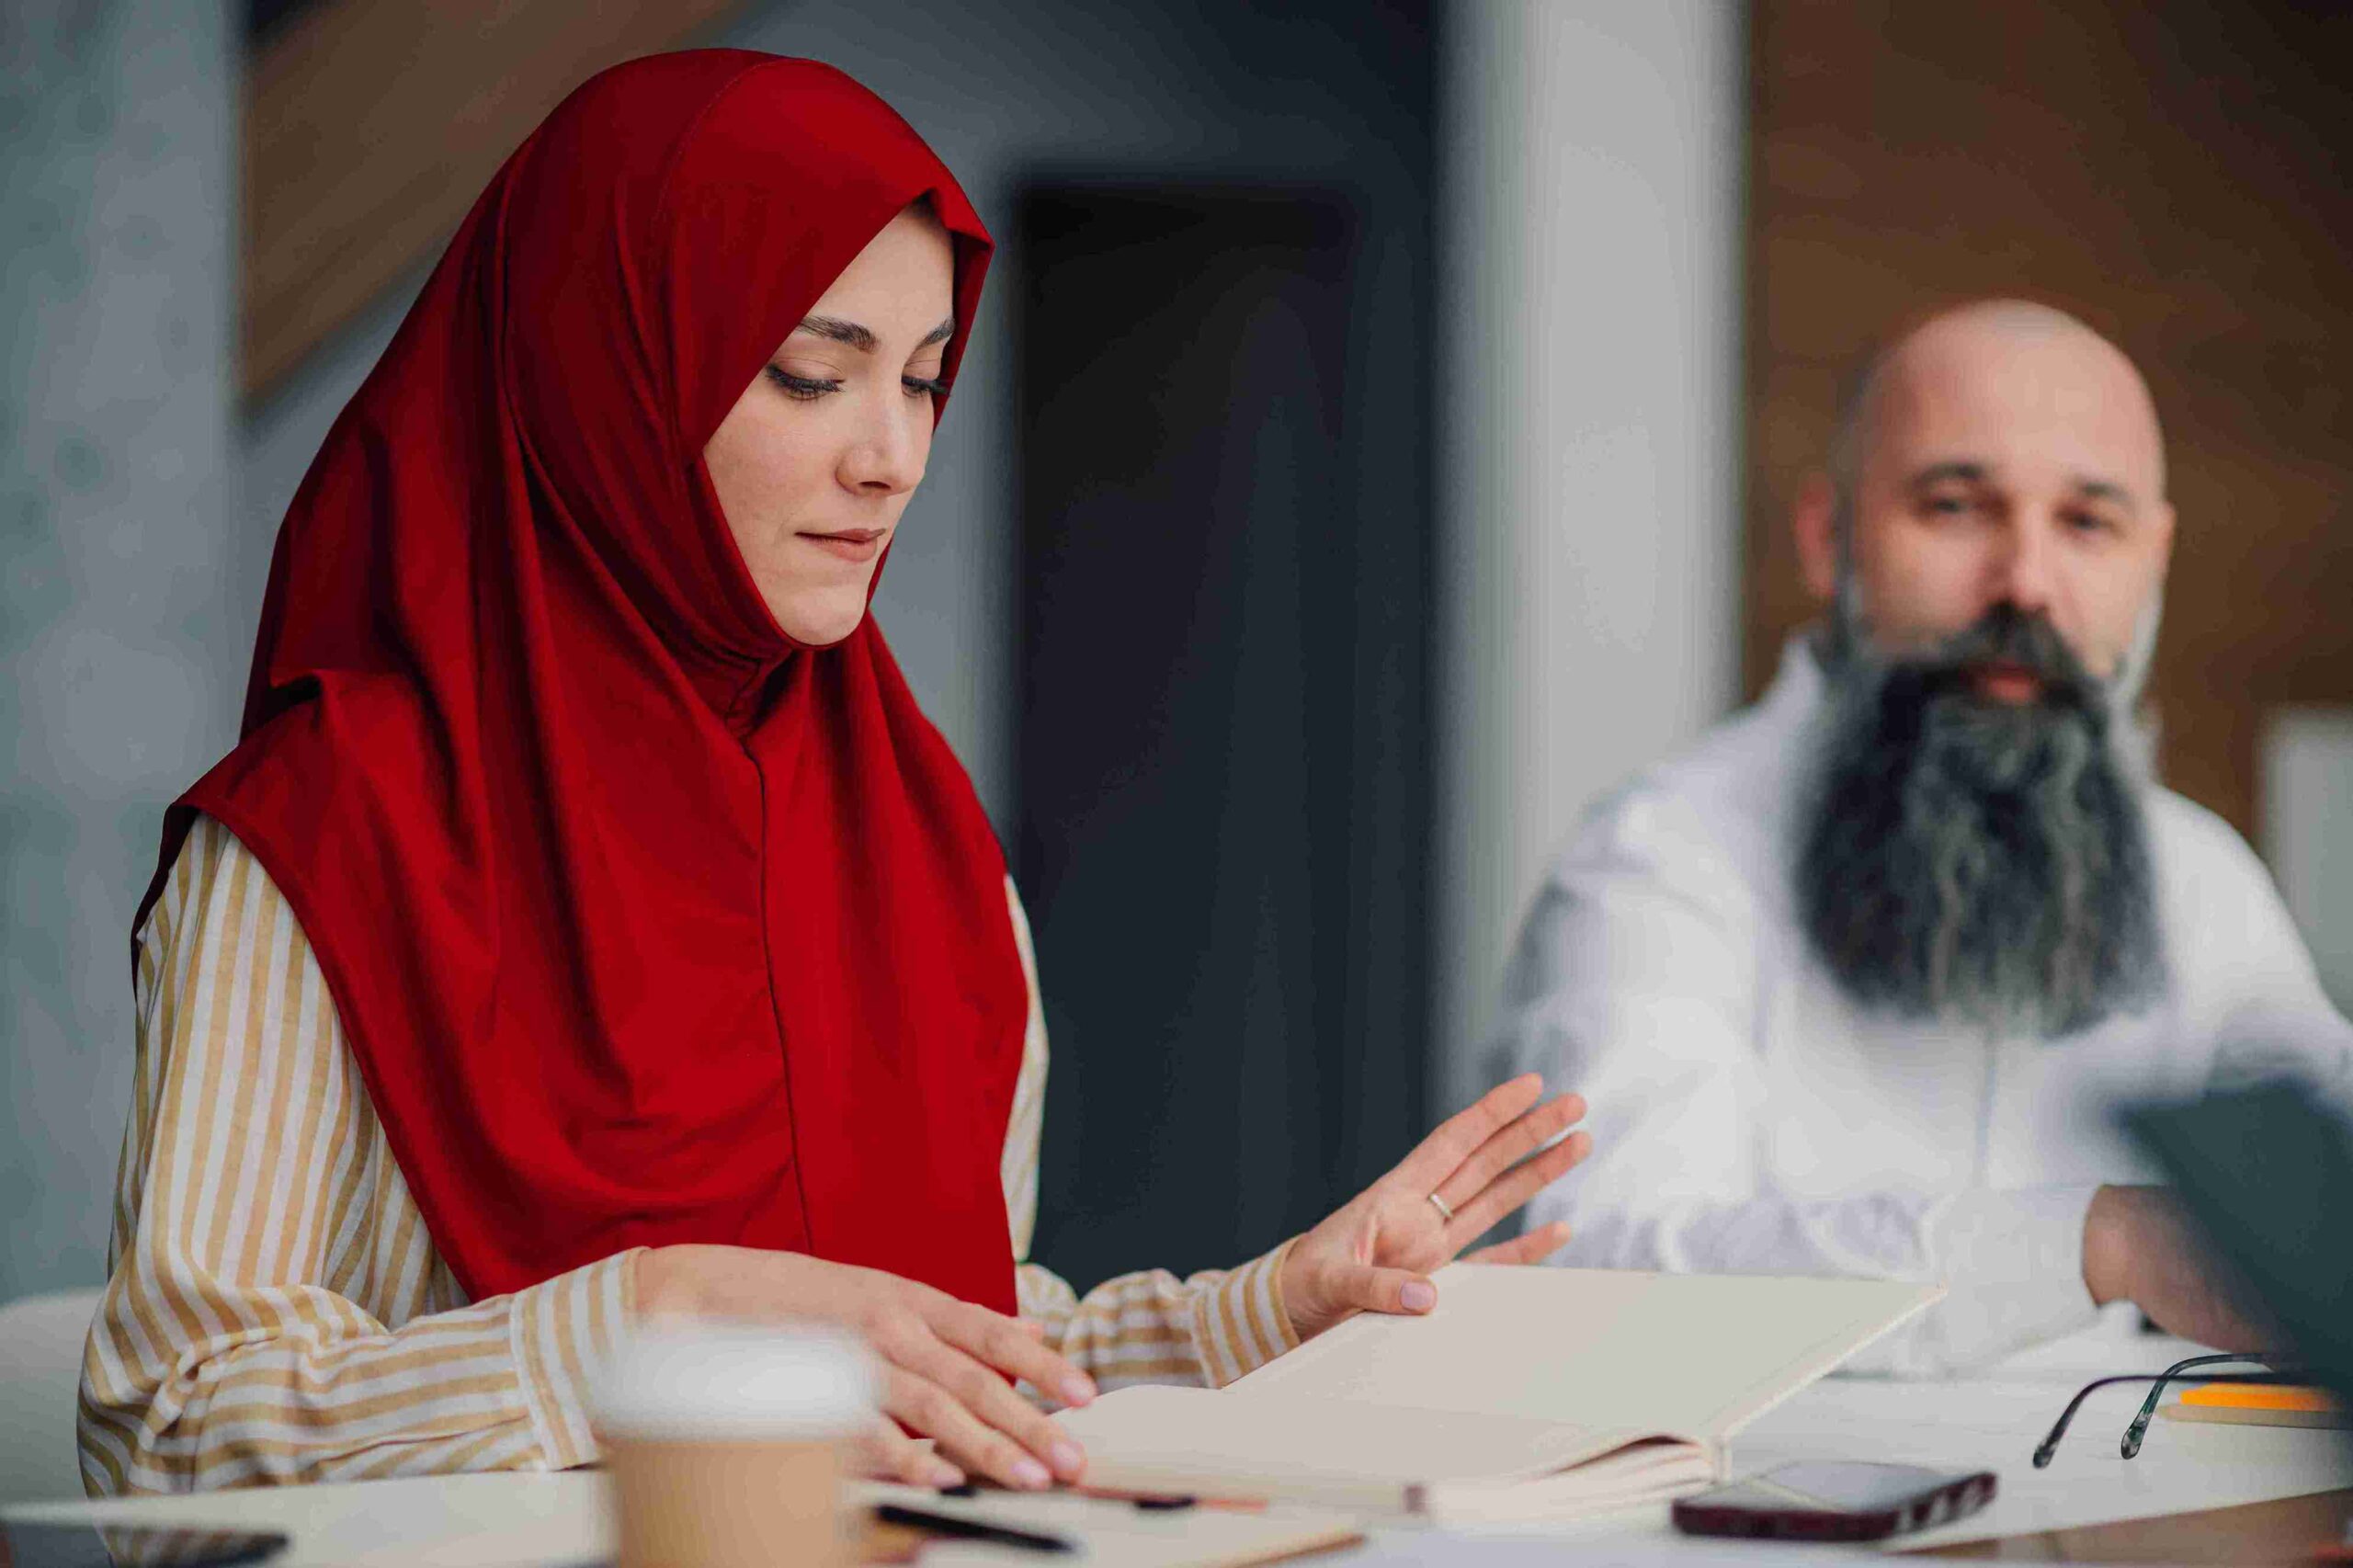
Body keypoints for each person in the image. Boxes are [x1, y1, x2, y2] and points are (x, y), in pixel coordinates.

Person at [78, 51, 1589, 1498]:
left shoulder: (920, 840)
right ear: (607, 377)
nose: (893, 456)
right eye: (812, 375)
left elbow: (936, 1354)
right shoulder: (323, 838)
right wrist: (650, 1325)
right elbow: (163, 1434)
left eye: (926, 379)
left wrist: (1264, 1313)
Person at [1494, 299, 2351, 1376]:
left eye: (2087, 523)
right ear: (1826, 537)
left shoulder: (2201, 876)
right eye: (1954, 507)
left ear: (2154, 562)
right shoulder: (1661, 863)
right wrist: (2099, 1242)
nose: (2025, 582)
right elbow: (1596, 1280)